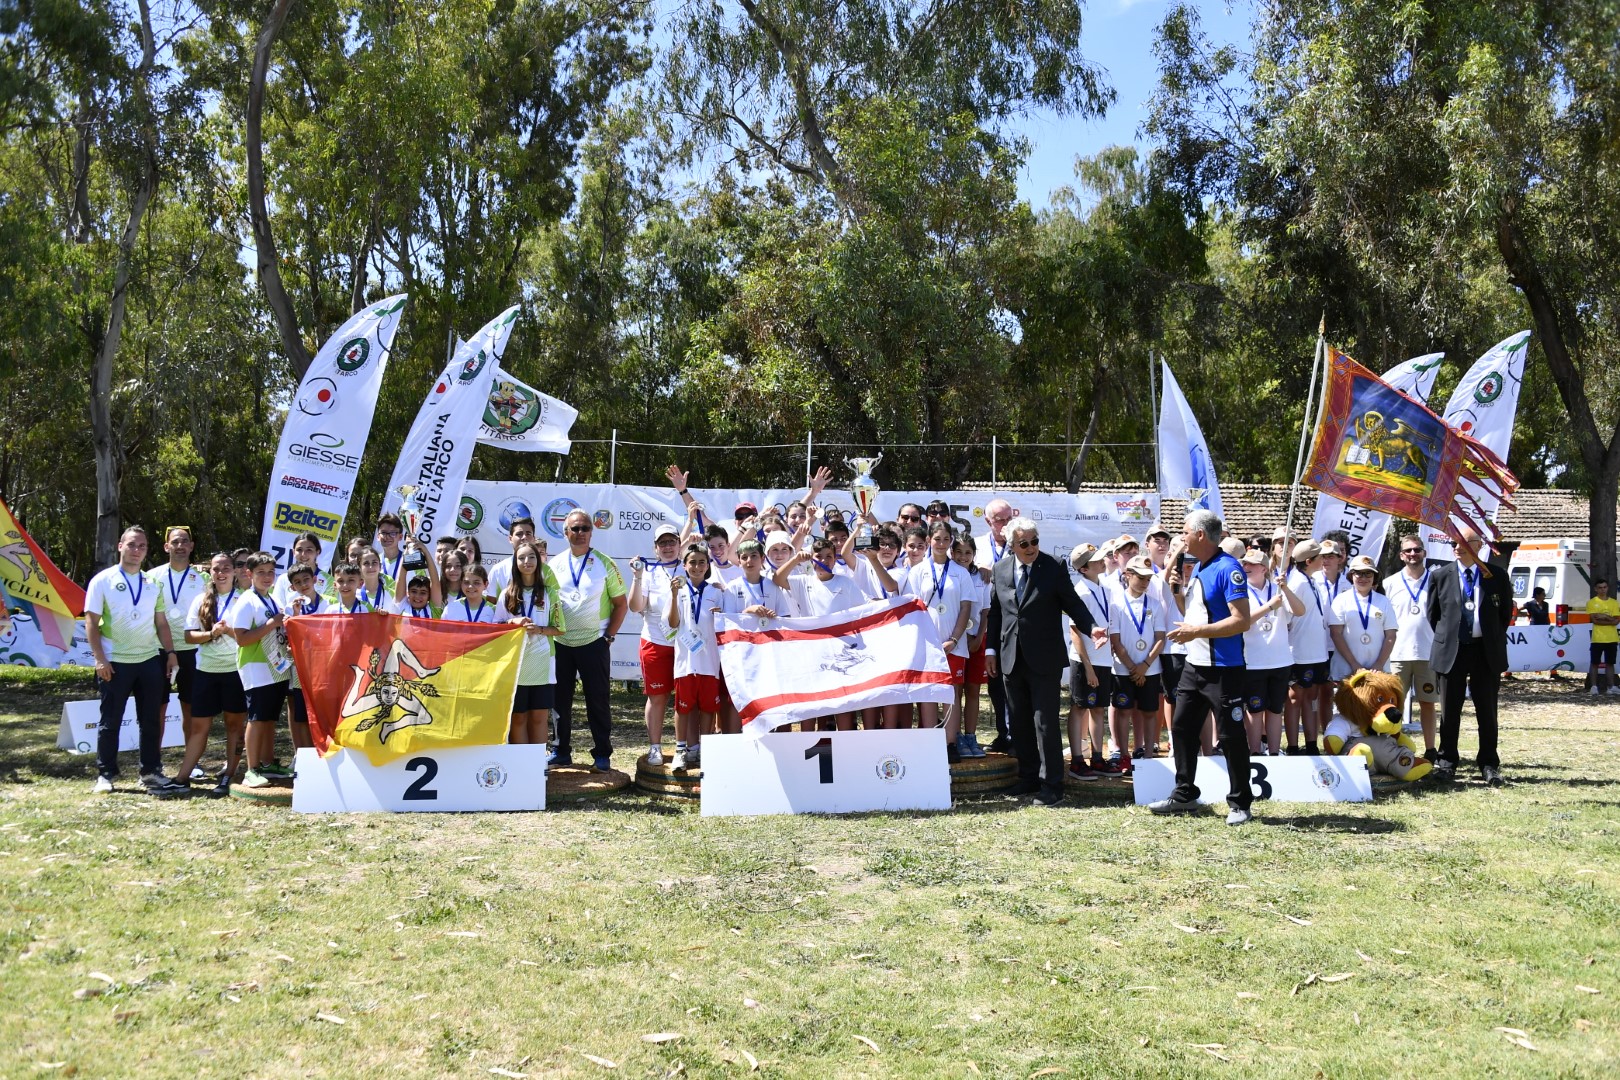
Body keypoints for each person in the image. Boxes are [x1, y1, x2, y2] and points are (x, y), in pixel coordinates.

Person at [1148, 510, 1255, 825]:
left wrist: (1195, 632)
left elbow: (1242, 621)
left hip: (1224, 669)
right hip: (1194, 666)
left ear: (1200, 535)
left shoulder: (1228, 568)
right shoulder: (1199, 568)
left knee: (1230, 736)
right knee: (1181, 728)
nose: (1181, 538)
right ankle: (1184, 795)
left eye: (1184, 532)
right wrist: (1177, 592)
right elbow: (1193, 615)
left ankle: (1240, 804)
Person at [983, 517, 1094, 805]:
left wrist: (1091, 627)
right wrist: (991, 651)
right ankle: (1029, 777)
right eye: (1024, 543)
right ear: (1012, 545)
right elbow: (996, 613)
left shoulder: (1053, 566)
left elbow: (1072, 602)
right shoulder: (1000, 569)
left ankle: (1052, 785)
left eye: (1035, 541)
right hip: (1010, 658)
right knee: (1019, 722)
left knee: (1045, 723)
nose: (1031, 547)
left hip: (1045, 659)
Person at [84, 526, 183, 795]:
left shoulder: (152, 583)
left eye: (142, 546)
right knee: (110, 720)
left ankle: (150, 771)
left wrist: (170, 653)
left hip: (149, 660)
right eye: (131, 545)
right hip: (115, 661)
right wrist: (100, 659)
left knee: (150, 720)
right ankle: (105, 774)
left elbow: (161, 623)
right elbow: (91, 622)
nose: (136, 550)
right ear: (120, 546)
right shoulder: (102, 580)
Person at [1426, 527, 1513, 785]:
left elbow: (1504, 614)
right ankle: (1447, 762)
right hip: (1452, 651)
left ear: (1478, 545)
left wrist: (1486, 635)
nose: (1457, 547)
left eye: (1463, 542)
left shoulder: (1496, 575)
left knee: (1487, 711)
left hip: (1485, 652)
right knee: (1449, 711)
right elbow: (1433, 615)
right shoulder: (1440, 575)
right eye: (1453, 542)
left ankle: (1488, 763)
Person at [549, 509, 628, 771]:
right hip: (560, 643)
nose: (580, 533)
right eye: (575, 528)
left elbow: (621, 604)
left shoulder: (605, 563)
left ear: (592, 532)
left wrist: (609, 636)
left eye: (585, 528)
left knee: (598, 700)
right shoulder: (554, 565)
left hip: (594, 643)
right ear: (566, 532)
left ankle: (602, 753)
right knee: (559, 701)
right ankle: (560, 751)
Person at [904, 522, 974, 762]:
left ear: (951, 541)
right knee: (928, 693)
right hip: (926, 644)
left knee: (951, 695)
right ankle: (931, 743)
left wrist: (954, 639)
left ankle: (950, 742)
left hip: (954, 645)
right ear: (929, 541)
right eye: (937, 539)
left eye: (946, 539)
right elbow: (912, 607)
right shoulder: (917, 571)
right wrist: (927, 641)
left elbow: (966, 607)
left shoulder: (961, 573)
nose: (941, 544)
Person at [181, 552, 246, 796]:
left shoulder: (243, 599)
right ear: (210, 572)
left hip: (235, 671)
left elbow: (250, 638)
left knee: (234, 726)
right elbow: (189, 636)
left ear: (235, 571)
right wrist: (211, 634)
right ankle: (182, 777)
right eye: (216, 569)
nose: (221, 573)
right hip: (205, 671)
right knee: (199, 727)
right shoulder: (200, 599)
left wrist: (228, 632)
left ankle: (229, 775)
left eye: (226, 568)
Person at [228, 552, 294, 788]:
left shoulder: (272, 599)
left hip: (276, 667)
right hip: (256, 668)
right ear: (249, 574)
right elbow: (241, 639)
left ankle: (267, 763)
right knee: (256, 719)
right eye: (261, 572)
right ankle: (251, 769)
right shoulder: (247, 600)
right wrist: (271, 623)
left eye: (270, 572)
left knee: (269, 718)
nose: (267, 577)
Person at [148, 526, 206, 762]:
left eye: (184, 541)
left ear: (191, 546)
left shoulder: (204, 579)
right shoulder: (151, 576)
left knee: (190, 708)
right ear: (166, 547)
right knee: (157, 708)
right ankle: (153, 762)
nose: (180, 546)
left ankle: (191, 763)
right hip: (158, 650)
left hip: (192, 650)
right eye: (175, 542)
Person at [502, 539, 565, 750]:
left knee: (539, 717)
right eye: (521, 558)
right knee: (518, 717)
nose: (526, 561)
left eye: (531, 557)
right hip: (516, 665)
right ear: (515, 562)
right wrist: (513, 622)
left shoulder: (550, 593)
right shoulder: (507, 594)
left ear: (538, 561)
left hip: (542, 663)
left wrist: (539, 629)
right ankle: (521, 763)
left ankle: (538, 764)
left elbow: (560, 628)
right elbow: (496, 626)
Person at [1240, 549, 1304, 756]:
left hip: (1280, 661)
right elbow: (1242, 622)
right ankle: (1255, 753)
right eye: (1244, 563)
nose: (1246, 567)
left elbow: (1300, 611)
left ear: (1264, 568)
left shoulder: (1277, 589)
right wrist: (1269, 607)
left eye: (1251, 564)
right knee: (1255, 709)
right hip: (1253, 662)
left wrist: (1285, 589)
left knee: (1276, 710)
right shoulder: (1240, 590)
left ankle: (1274, 753)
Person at [1109, 555, 1167, 778]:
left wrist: (1145, 665)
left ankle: (1148, 757)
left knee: (1150, 712)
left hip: (1150, 669)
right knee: (1123, 711)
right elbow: (1115, 641)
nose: (1145, 582)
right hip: (1123, 669)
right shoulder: (1116, 604)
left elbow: (1160, 638)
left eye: (1148, 579)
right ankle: (1124, 755)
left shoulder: (1154, 604)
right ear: (1128, 575)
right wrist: (1133, 667)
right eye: (1140, 577)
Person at [668, 542, 724, 770]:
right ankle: (680, 750)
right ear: (684, 565)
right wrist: (673, 595)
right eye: (692, 562)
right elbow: (673, 623)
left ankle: (703, 749)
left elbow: (724, 624)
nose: (697, 567)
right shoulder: (678, 590)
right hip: (686, 661)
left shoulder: (717, 592)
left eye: (702, 562)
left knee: (709, 707)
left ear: (708, 565)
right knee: (683, 707)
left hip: (709, 661)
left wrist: (720, 615)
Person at [630, 524, 683, 764]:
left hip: (687, 644)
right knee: (657, 697)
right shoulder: (648, 571)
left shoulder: (691, 566)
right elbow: (635, 606)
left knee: (686, 698)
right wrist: (637, 577)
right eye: (662, 543)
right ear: (655, 548)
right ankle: (655, 747)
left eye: (672, 541)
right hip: (655, 642)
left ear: (680, 544)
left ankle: (686, 747)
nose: (667, 547)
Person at [1385, 535, 1440, 758]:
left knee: (1428, 703)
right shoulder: (1390, 583)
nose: (1412, 554)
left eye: (1417, 550)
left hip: (1428, 653)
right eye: (1408, 551)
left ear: (1424, 553)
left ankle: (1430, 750)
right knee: (1394, 705)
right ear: (1401, 555)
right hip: (1397, 654)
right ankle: (1391, 749)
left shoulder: (1436, 580)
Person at [1284, 539, 1330, 755]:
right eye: (1321, 557)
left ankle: (1312, 744)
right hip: (1299, 651)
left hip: (1316, 652)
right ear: (1309, 561)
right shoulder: (1297, 582)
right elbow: (1287, 615)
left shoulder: (1311, 580)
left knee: (1312, 698)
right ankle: (1293, 746)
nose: (1325, 560)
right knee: (1295, 698)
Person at [1329, 555, 1397, 675]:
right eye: (1359, 573)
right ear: (1351, 575)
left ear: (1374, 577)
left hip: (1377, 671)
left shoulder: (1384, 601)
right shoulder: (1341, 600)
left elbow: (1391, 636)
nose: (1363, 578)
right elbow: (1336, 634)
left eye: (1368, 574)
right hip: (1345, 670)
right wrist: (1354, 664)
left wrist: (1379, 663)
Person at [486, 517, 536, 597]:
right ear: (510, 539)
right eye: (519, 534)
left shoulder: (545, 571)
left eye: (528, 534)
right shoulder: (498, 570)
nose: (524, 537)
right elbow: (491, 601)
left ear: (534, 539)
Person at [1586, 578, 1619, 695]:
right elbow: (1595, 621)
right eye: (1600, 588)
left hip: (1612, 638)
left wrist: (1604, 616)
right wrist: (1610, 620)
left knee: (1610, 663)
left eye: (1604, 587)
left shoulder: (1614, 603)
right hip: (1597, 638)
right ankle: (1594, 686)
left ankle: (1611, 687)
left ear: (1607, 588)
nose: (1602, 590)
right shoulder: (1591, 602)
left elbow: (1616, 621)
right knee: (1595, 662)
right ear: (1596, 589)